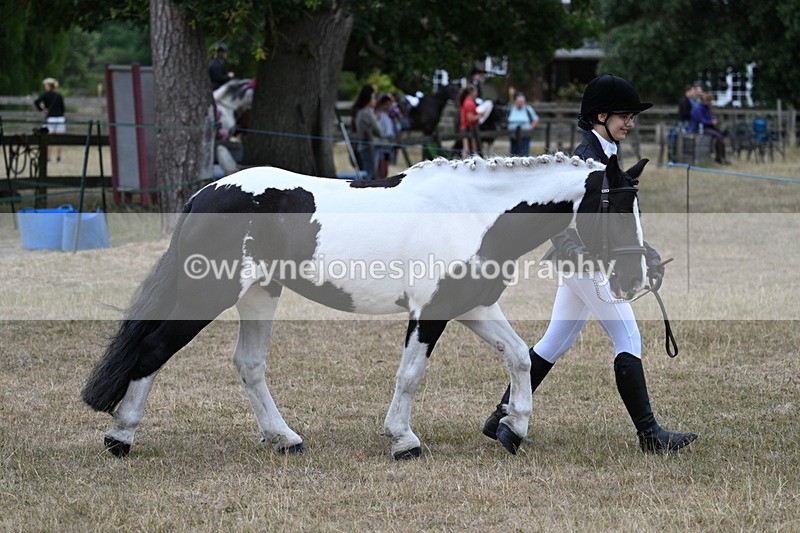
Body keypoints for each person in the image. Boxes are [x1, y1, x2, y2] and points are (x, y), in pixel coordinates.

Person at [482, 74, 698, 454]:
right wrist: (575, 250)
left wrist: (641, 249)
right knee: (628, 338)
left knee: (553, 343)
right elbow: (557, 215)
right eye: (624, 116)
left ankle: (502, 416)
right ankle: (649, 434)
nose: (629, 123)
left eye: (632, 117)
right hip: (585, 265)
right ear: (601, 115)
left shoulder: (608, 154)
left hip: (586, 265)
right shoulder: (585, 159)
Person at [351, 85, 384, 180]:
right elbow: (380, 132)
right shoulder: (366, 113)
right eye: (373, 97)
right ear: (368, 98)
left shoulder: (362, 112)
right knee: (369, 176)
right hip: (369, 149)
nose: (375, 100)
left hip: (367, 148)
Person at [690, 93, 729, 164]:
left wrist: (714, 121)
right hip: (700, 129)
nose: (710, 103)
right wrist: (711, 122)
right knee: (718, 136)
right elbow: (701, 121)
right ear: (704, 100)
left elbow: (709, 118)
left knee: (721, 134)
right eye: (709, 101)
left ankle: (722, 157)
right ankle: (719, 158)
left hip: (708, 127)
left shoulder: (706, 108)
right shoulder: (697, 109)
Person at [34, 77, 66, 162]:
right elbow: (63, 109)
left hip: (51, 118)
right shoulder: (59, 96)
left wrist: (43, 109)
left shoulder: (46, 95)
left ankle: (48, 156)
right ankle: (59, 156)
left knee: (48, 138)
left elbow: (37, 102)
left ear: (48, 86)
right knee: (60, 138)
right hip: (60, 119)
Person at [506, 92, 539, 156]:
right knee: (513, 154)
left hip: (525, 135)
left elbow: (535, 119)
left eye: (522, 101)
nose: (521, 103)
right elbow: (507, 119)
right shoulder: (511, 109)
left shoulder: (528, 109)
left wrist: (530, 127)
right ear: (515, 101)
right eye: (519, 101)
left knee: (524, 154)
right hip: (513, 135)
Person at [459, 85, 483, 158]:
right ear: (472, 92)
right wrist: (480, 115)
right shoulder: (469, 103)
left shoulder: (467, 101)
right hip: (468, 129)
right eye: (476, 91)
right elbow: (470, 118)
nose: (477, 93)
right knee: (468, 151)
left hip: (467, 128)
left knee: (469, 151)